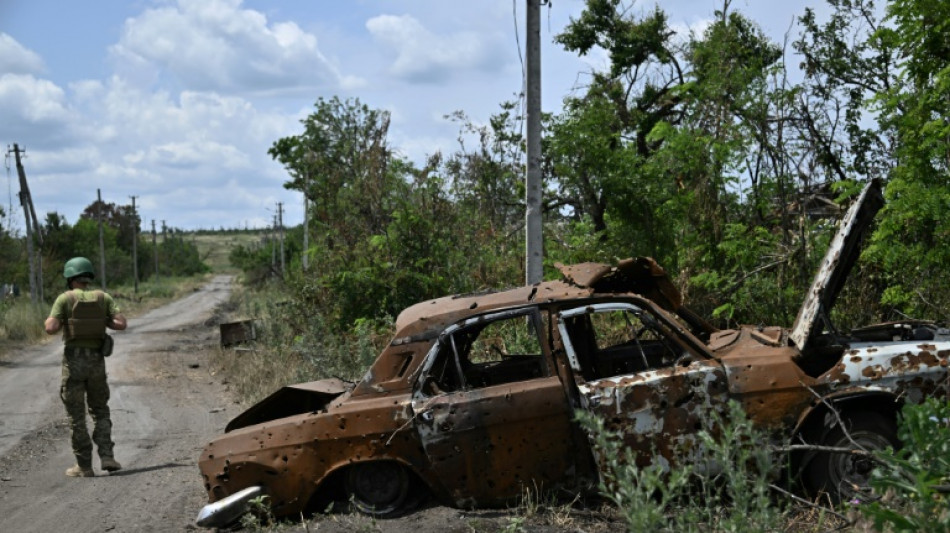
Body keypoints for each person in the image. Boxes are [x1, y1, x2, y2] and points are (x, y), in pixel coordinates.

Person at [44, 257, 127, 478]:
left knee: (76, 415)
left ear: (70, 278)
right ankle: (107, 456)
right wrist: (103, 321)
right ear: (88, 277)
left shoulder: (65, 299)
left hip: (74, 363)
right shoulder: (103, 298)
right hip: (97, 363)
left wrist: (64, 320)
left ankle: (84, 465)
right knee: (100, 410)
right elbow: (121, 323)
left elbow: (51, 328)